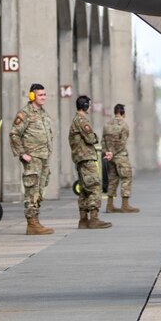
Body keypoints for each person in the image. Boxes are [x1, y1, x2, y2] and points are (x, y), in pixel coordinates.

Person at [9, 83, 54, 235]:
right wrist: (22, 154)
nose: (43, 97)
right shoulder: (25, 113)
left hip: (44, 157)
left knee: (40, 190)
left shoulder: (43, 113)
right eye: (40, 95)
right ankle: (31, 223)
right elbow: (14, 134)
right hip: (32, 158)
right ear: (32, 96)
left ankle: (36, 221)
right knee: (32, 190)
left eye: (44, 94)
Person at [68, 96, 111, 230]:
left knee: (84, 190)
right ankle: (94, 218)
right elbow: (91, 138)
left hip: (81, 159)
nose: (90, 108)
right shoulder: (82, 120)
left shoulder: (76, 120)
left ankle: (83, 220)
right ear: (85, 106)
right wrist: (96, 137)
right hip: (86, 159)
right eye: (89, 105)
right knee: (94, 187)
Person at [103, 101, 139, 214]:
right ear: (123, 113)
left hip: (110, 157)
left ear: (115, 112)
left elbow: (103, 141)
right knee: (126, 178)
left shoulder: (107, 124)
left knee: (112, 179)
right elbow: (122, 143)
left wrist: (108, 153)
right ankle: (125, 205)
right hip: (120, 156)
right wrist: (113, 152)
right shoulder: (124, 125)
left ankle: (110, 205)